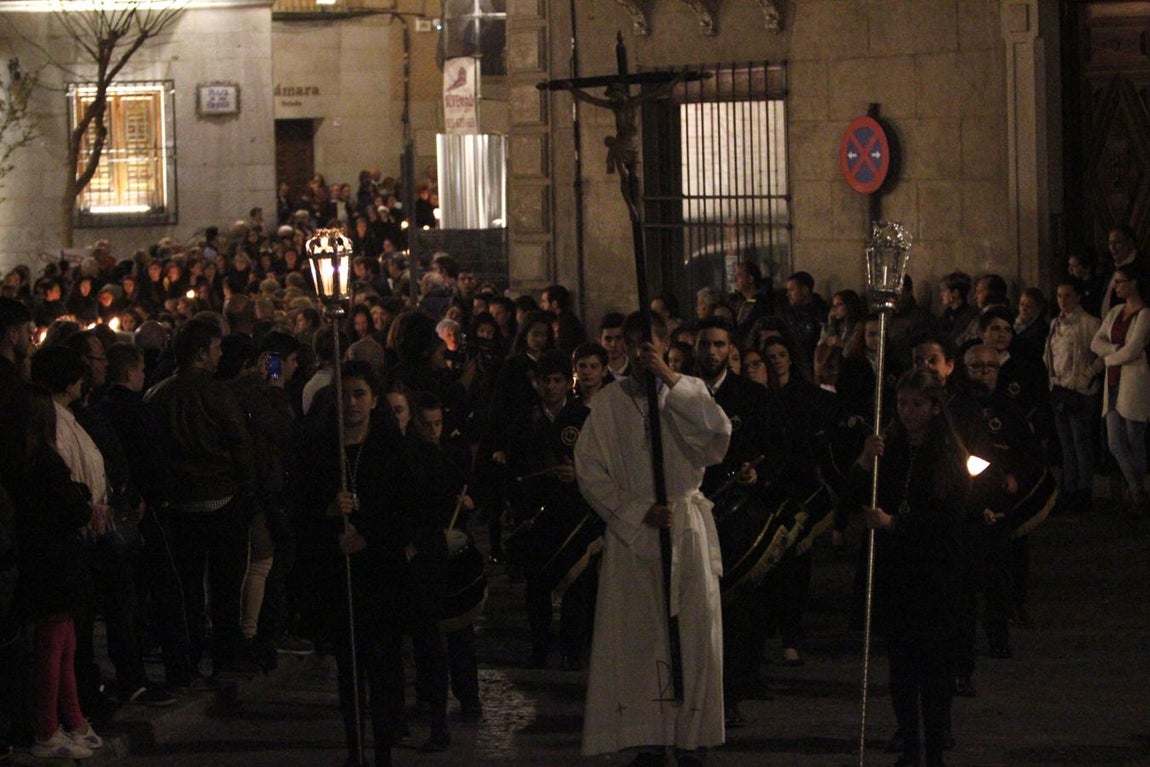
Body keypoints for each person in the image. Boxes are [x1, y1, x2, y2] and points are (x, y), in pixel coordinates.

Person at [575, 311, 731, 767]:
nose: (639, 354)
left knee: (695, 635)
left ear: (664, 345)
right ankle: (645, 736)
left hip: (685, 528)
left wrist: (670, 380)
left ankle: (690, 736)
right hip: (636, 537)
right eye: (631, 344)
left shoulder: (690, 393)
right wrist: (637, 510)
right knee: (641, 639)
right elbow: (590, 471)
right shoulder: (607, 403)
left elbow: (716, 440)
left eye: (649, 346)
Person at [853, 369, 972, 767]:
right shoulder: (891, 449)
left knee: (934, 667)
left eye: (916, 404)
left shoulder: (949, 455)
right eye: (902, 403)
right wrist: (865, 460)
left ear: (935, 408)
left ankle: (935, 746)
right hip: (896, 570)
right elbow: (855, 495)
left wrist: (894, 523)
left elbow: (948, 517)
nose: (908, 412)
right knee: (901, 664)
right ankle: (909, 742)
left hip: (935, 571)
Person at [1091, 266, 1150, 513]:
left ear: (1133, 283)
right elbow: (1097, 342)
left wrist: (1108, 357)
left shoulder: (1145, 314)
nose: (1116, 287)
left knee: (1135, 439)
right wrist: (1116, 353)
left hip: (1134, 381)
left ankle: (1137, 492)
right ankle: (1137, 490)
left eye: (1120, 282)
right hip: (1114, 380)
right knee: (1116, 441)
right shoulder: (1116, 311)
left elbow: (1134, 347)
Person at [1043, 278, 1103, 514]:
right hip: (1060, 389)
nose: (1063, 301)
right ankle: (1070, 490)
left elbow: (1101, 354)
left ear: (1078, 297)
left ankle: (1083, 491)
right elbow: (1051, 353)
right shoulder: (1056, 323)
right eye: (1059, 296)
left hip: (1080, 391)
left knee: (1080, 441)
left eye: (1068, 295)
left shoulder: (1090, 323)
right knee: (1067, 443)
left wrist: (1087, 375)